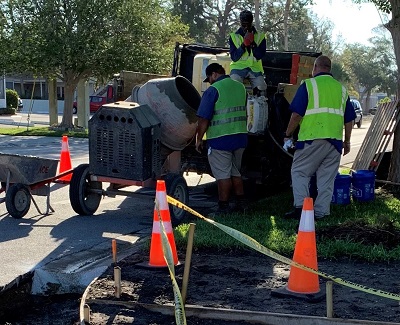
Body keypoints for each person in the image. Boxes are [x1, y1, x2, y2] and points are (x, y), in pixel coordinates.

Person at [283, 55, 356, 220]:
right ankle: (321, 213)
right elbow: (349, 119)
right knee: (326, 179)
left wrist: (287, 135)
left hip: (312, 139)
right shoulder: (341, 89)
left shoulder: (308, 85)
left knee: (300, 172)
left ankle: (301, 209)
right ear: (329, 69)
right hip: (335, 143)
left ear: (315, 67)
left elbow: (296, 115)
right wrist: (347, 142)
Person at [195, 63, 248, 215]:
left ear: (213, 74)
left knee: (223, 175)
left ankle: (223, 207)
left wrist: (199, 139)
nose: (210, 81)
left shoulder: (213, 90)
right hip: (240, 137)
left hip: (220, 139)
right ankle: (241, 204)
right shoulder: (240, 87)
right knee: (235, 171)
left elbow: (204, 118)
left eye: (209, 78)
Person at [229, 10, 267, 97]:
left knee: (262, 88)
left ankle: (259, 109)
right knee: (234, 85)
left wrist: (252, 43)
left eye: (248, 25)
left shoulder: (260, 37)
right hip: (238, 67)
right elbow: (234, 57)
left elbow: (260, 55)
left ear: (251, 23)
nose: (246, 27)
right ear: (240, 23)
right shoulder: (233, 36)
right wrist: (243, 46)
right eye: (243, 25)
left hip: (255, 68)